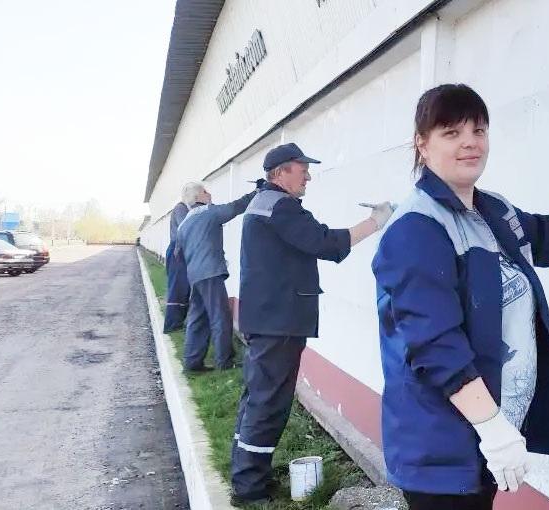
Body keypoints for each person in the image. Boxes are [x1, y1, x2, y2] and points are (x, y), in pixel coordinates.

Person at [372, 84, 549, 510]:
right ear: (422, 144)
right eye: (452, 133)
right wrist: (493, 428)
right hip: (443, 449)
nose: (470, 142)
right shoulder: (416, 228)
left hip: (486, 437)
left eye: (479, 130)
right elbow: (435, 345)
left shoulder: (494, 213)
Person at [229, 143, 394, 505]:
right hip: (278, 321)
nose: (308, 174)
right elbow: (326, 243)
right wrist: (375, 223)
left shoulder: (264, 203)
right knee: (269, 402)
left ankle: (247, 471)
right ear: (279, 173)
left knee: (258, 398)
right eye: (301, 168)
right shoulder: (281, 207)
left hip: (269, 317)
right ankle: (249, 488)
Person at [176, 181, 262, 371]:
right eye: (205, 191)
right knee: (220, 316)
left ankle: (192, 362)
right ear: (198, 197)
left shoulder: (183, 225)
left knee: (197, 318)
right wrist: (257, 191)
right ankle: (224, 361)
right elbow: (236, 207)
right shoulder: (208, 212)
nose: (209, 193)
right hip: (210, 273)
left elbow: (178, 253)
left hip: (195, 276)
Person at [163, 182, 202, 333]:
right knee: (177, 288)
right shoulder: (181, 208)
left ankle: (178, 321)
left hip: (183, 252)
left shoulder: (187, 209)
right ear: (194, 195)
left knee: (184, 287)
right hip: (177, 252)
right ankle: (172, 324)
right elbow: (186, 227)